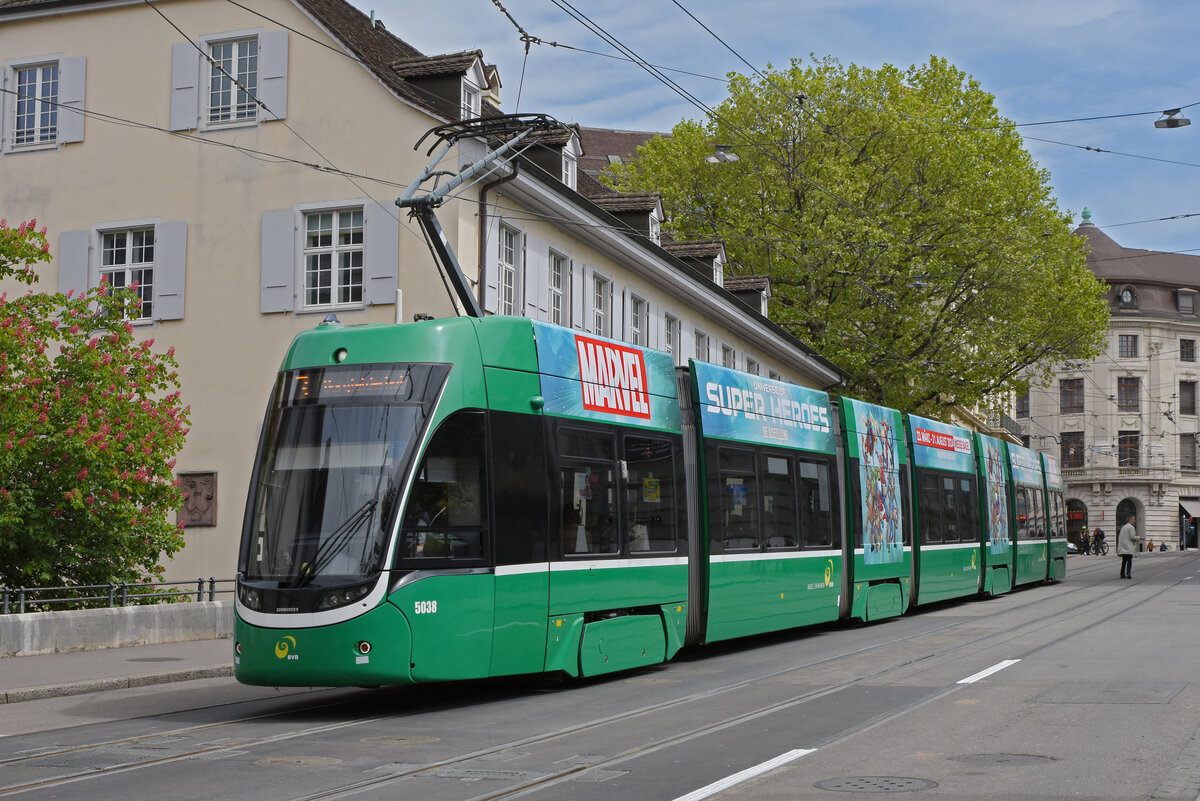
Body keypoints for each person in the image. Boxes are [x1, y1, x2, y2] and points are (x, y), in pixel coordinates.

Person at [1118, 515, 1143, 579]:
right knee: (1129, 561)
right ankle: (1128, 573)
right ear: (1130, 520)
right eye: (1133, 519)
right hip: (1128, 547)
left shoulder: (1123, 527)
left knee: (1124, 561)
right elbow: (1132, 537)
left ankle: (1122, 574)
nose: (1134, 521)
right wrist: (1140, 538)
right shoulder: (1131, 527)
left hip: (1123, 547)